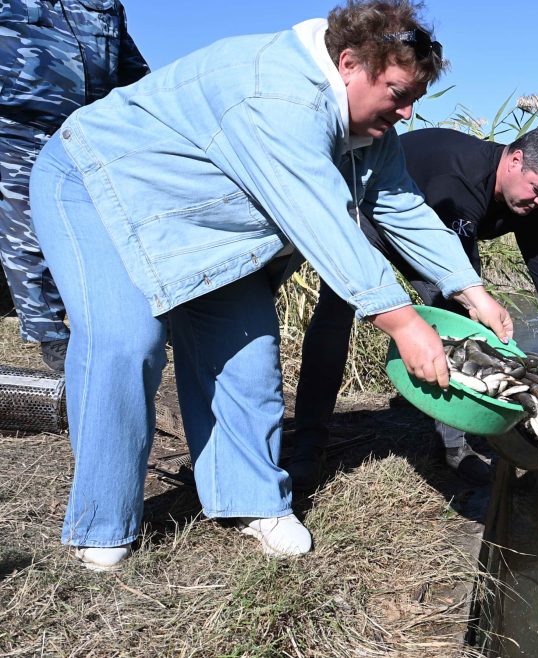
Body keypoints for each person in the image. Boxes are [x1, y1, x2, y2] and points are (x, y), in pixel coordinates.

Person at [29, 0, 512, 571]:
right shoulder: (277, 95)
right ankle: (103, 522)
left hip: (201, 223)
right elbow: (323, 221)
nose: (407, 114)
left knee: (249, 355)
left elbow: (402, 205)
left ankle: (250, 499)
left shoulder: (370, 130)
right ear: (350, 63)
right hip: (98, 183)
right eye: (398, 93)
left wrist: (469, 288)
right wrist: (404, 322)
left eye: (415, 100)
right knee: (126, 341)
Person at [291, 126, 538, 489]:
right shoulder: (460, 179)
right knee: (335, 314)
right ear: (515, 161)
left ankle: (452, 447)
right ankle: (307, 444)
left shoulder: (528, 205)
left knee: (464, 320)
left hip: (425, 228)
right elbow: (453, 275)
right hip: (370, 211)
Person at [0, 0, 149, 371]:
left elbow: (130, 67)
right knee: (25, 233)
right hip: (14, 126)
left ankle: (110, 324)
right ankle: (51, 334)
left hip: (88, 129)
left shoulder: (104, 4)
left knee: (107, 226)